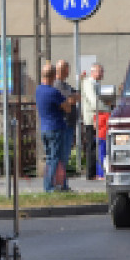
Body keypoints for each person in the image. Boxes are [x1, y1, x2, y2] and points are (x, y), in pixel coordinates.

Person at [36, 63, 76, 192]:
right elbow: (68, 108)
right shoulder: (53, 92)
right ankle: (49, 187)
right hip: (56, 128)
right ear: (54, 76)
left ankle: (59, 185)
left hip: (44, 128)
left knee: (49, 158)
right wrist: (67, 103)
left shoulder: (38, 90)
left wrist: (61, 105)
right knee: (56, 159)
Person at [52, 59, 79, 188]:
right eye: (67, 69)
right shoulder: (57, 86)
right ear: (62, 70)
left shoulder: (66, 85)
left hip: (69, 125)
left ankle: (63, 183)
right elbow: (69, 100)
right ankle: (60, 184)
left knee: (65, 156)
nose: (68, 71)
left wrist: (74, 97)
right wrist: (72, 98)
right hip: (64, 124)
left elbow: (76, 96)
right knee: (61, 156)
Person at [81, 62, 108, 180]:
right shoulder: (88, 83)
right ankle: (91, 173)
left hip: (97, 117)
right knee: (92, 146)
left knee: (95, 145)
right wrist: (107, 108)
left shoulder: (96, 83)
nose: (102, 74)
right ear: (94, 72)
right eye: (101, 71)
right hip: (92, 118)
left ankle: (95, 172)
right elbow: (93, 101)